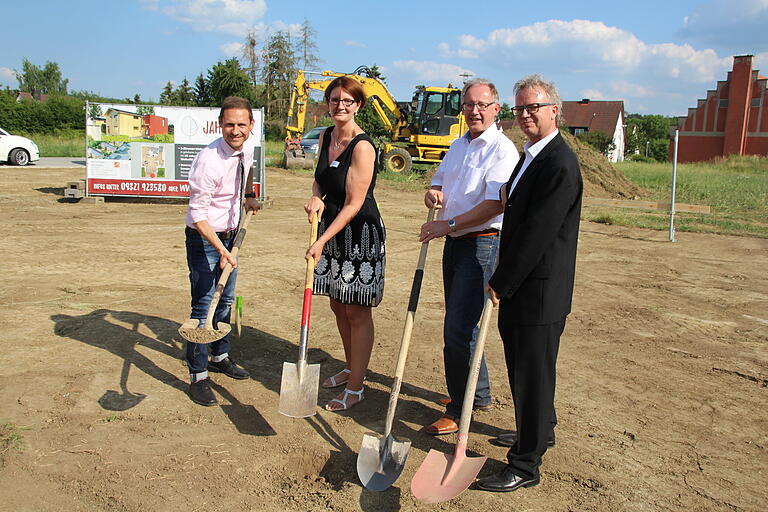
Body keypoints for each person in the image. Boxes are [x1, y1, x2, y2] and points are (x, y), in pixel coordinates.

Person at [477, 75, 582, 492]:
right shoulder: (532, 156)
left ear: (554, 110)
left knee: (531, 374)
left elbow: (538, 233)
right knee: (531, 370)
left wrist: (499, 281)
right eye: (521, 108)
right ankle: (538, 433)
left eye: (533, 108)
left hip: (538, 290)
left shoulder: (559, 163)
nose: (525, 115)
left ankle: (524, 464)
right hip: (529, 287)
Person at [418, 78, 519, 435]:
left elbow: (494, 204)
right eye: (468, 104)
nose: (474, 111)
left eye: (482, 104)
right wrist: (434, 194)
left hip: (482, 244)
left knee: (457, 329)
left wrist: (449, 225)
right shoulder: (458, 145)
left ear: (496, 108)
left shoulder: (503, 151)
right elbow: (439, 182)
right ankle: (479, 393)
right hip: (456, 243)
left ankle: (461, 408)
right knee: (463, 324)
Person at [304, 76, 384, 412]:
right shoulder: (325, 136)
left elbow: (353, 203)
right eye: (334, 99)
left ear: (359, 105)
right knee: (338, 304)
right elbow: (320, 180)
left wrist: (321, 239)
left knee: (356, 309)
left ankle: (356, 387)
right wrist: (314, 198)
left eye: (348, 101)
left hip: (359, 234)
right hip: (331, 229)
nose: (340, 105)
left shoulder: (363, 146)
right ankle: (352, 367)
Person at [184, 96, 260, 406]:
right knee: (205, 304)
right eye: (229, 124)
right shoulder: (208, 160)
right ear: (220, 125)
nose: (235, 130)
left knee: (226, 298)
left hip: (232, 234)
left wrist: (250, 195)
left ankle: (220, 355)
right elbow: (197, 215)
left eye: (241, 124)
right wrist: (222, 250)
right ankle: (198, 375)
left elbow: (249, 169)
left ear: (250, 126)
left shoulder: (247, 148)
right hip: (205, 238)